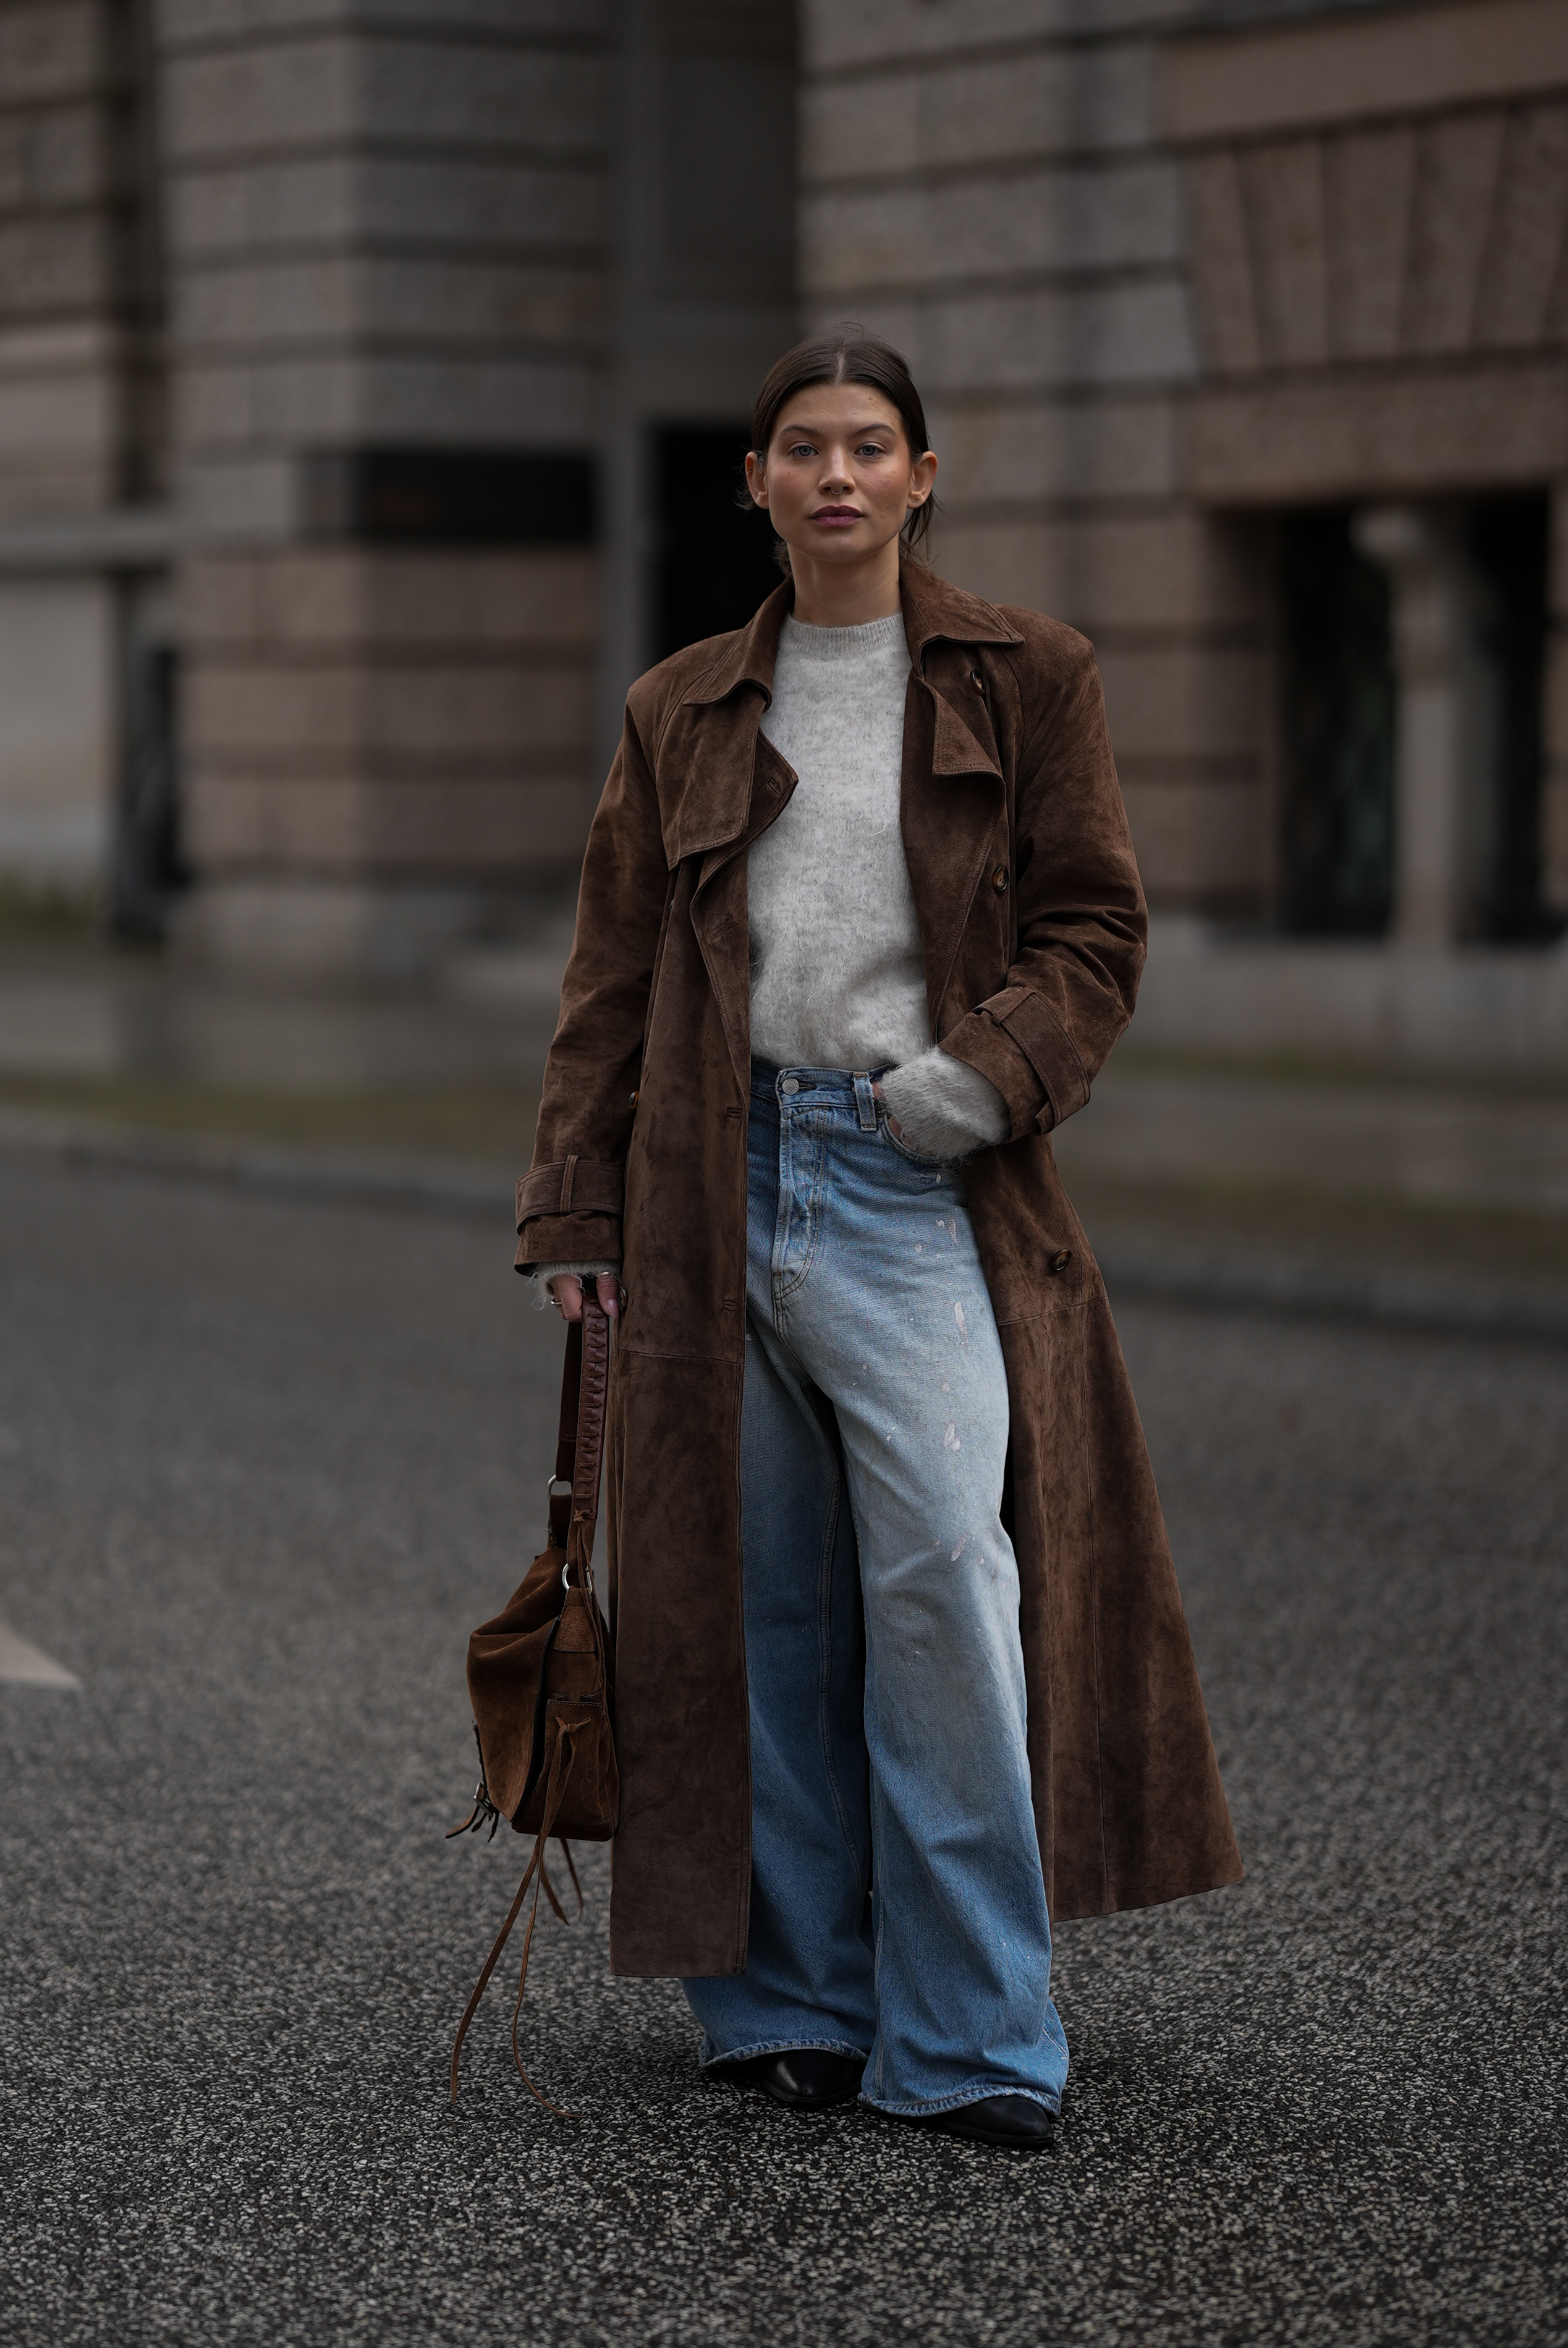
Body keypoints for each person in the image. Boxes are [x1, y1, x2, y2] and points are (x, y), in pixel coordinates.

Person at [516, 328, 1241, 2151]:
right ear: (753, 483)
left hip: (911, 1175)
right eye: (798, 448)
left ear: (923, 476)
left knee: (941, 1598)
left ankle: (978, 2034)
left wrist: (980, 1081)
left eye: (867, 447)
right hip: (705, 1179)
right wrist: (576, 1207)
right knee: (747, 1612)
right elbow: (608, 975)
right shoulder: (678, 703)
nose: (832, 475)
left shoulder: (1025, 674)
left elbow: (1093, 928)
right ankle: (787, 2005)